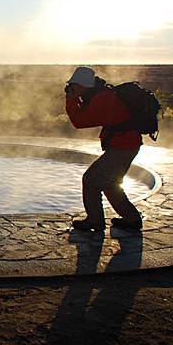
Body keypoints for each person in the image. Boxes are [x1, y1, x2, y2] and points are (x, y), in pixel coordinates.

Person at [65, 66, 143, 232]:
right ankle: (132, 219)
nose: (72, 89)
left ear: (83, 85)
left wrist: (71, 100)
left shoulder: (102, 99)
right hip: (126, 144)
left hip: (123, 146)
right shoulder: (99, 94)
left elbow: (80, 122)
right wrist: (76, 98)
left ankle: (95, 221)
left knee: (90, 179)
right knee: (110, 184)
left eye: (74, 86)